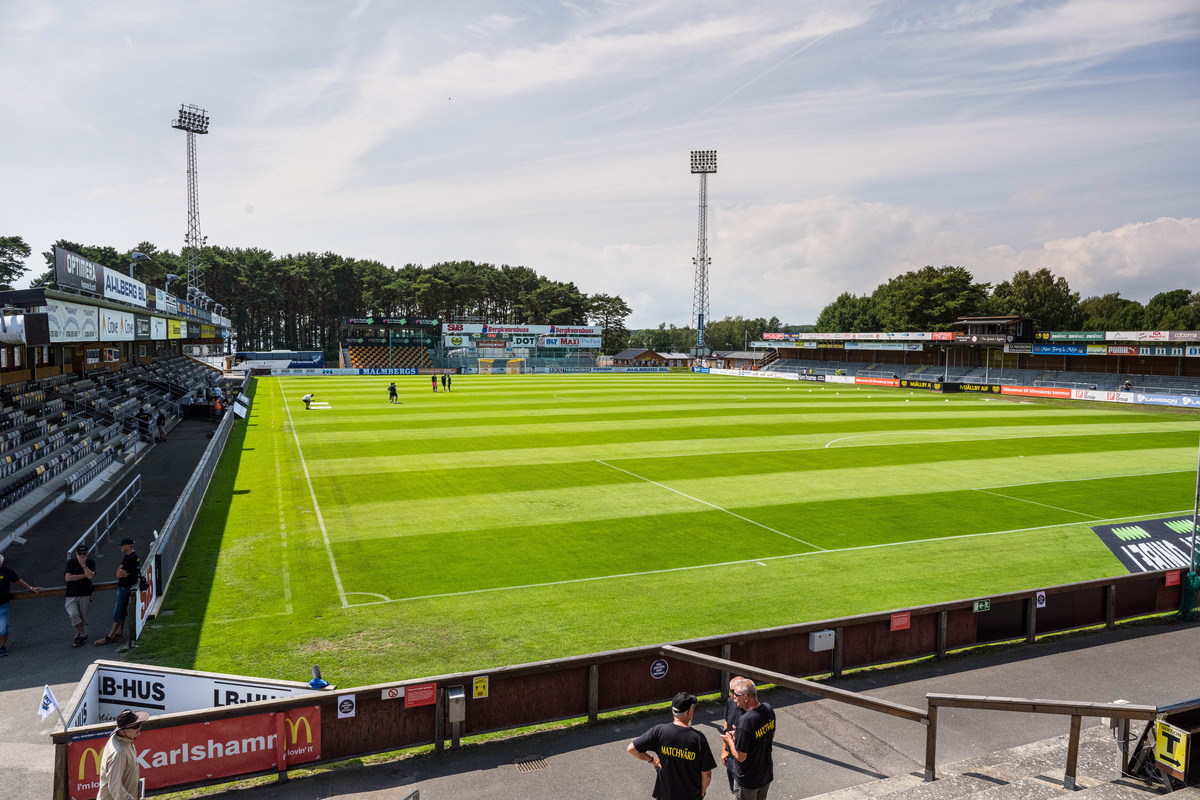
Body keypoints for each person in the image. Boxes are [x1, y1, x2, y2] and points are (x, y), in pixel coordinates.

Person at [628, 691, 716, 800]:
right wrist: (702, 792)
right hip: (690, 795)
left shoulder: (659, 731)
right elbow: (706, 774)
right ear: (689, 712)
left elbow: (632, 749)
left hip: (665, 794)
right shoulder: (698, 738)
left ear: (673, 711)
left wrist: (652, 760)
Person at [719, 679, 776, 800]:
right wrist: (741, 735)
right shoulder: (768, 709)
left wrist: (729, 740)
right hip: (765, 774)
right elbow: (770, 735)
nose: (734, 698)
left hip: (748, 780)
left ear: (745, 697)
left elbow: (740, 756)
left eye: (736, 695)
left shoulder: (746, 720)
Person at [96, 538, 140, 646]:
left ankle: (110, 636)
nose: (120, 547)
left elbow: (118, 574)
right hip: (123, 586)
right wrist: (121, 572)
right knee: (122, 611)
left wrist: (121, 573)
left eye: (122, 545)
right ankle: (119, 634)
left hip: (125, 588)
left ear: (128, 546)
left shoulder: (132, 558)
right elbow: (118, 572)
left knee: (118, 611)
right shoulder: (128, 556)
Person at [97, 708, 149, 800]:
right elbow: (116, 788)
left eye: (140, 724)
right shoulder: (119, 753)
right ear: (123, 731)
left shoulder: (123, 739)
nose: (140, 727)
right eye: (135, 726)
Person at [0, 553, 42, 657]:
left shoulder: (7, 570)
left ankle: (2, 647)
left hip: (3, 604)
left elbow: (18, 581)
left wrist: (30, 588)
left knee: (4, 627)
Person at [65, 545, 96, 647]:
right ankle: (82, 634)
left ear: (87, 553)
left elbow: (90, 576)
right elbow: (68, 578)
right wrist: (84, 575)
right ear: (76, 554)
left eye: (84, 553)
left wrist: (83, 566)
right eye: (80, 554)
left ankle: (79, 635)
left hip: (85, 593)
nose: (82, 556)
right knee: (73, 614)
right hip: (71, 594)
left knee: (82, 617)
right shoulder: (71, 562)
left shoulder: (90, 563)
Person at [720, 677, 747, 793]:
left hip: (744, 757)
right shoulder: (730, 702)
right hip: (731, 756)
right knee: (734, 791)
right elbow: (727, 725)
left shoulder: (752, 710)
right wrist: (724, 750)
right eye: (731, 691)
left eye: (735, 693)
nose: (732, 696)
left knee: (743, 792)